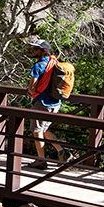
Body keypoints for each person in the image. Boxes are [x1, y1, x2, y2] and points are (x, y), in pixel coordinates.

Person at [26, 39, 75, 170]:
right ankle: (62, 152)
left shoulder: (38, 66)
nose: (32, 51)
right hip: (55, 102)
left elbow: (31, 88)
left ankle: (41, 161)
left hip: (41, 102)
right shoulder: (55, 63)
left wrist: (31, 93)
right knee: (44, 130)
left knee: (37, 131)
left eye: (35, 49)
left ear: (43, 51)